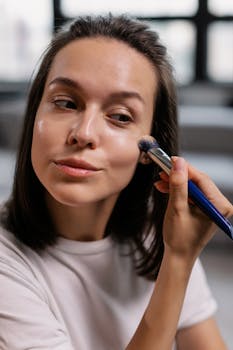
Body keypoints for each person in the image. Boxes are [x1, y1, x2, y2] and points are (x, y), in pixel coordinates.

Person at [0, 14, 232, 350]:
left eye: (121, 116)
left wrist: (175, 257)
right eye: (65, 103)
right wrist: (177, 264)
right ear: (36, 112)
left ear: (150, 150)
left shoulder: (161, 235)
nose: (83, 133)